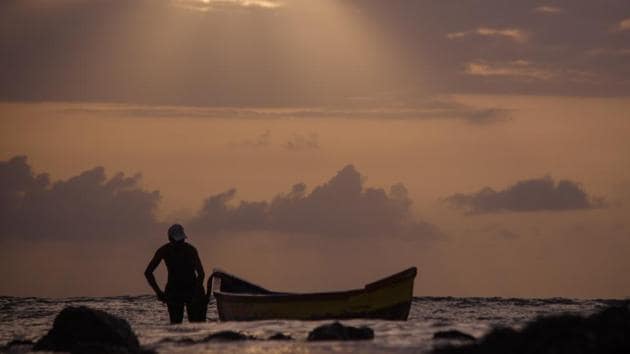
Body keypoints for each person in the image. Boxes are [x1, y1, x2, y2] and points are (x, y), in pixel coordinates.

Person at [144, 224, 207, 324]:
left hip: (191, 289)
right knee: (176, 326)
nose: (180, 243)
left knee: (197, 325)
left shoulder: (190, 250)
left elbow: (201, 274)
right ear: (170, 239)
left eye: (181, 240)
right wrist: (158, 292)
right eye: (177, 241)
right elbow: (148, 272)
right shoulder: (164, 251)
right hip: (174, 291)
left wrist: (196, 292)